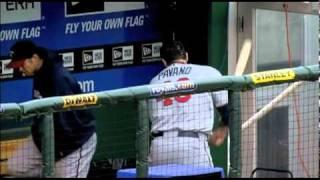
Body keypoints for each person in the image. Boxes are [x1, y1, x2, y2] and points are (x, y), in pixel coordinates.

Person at [5, 40, 97, 178]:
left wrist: (55, 155)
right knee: (16, 166)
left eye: (21, 64)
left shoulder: (59, 79)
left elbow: (68, 124)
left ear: (34, 58)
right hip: (47, 139)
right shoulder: (40, 72)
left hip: (74, 143)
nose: (19, 69)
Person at [148, 40, 229, 167]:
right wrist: (222, 130)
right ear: (186, 56)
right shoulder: (208, 72)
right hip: (192, 147)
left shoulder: (154, 82)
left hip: (159, 148)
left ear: (164, 61)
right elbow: (227, 112)